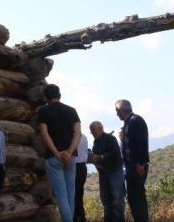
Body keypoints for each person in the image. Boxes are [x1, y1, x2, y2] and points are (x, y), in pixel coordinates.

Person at [37, 84, 82, 222]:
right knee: (70, 195)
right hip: (71, 157)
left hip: (53, 158)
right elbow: (78, 134)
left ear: (46, 97)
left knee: (61, 196)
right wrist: (69, 152)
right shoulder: (72, 110)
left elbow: (45, 134)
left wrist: (57, 153)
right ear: (59, 95)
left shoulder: (43, 111)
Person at [115, 99, 150, 222]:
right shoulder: (129, 122)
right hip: (132, 165)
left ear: (121, 110)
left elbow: (141, 143)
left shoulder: (135, 121)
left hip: (136, 166)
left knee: (136, 197)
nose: (116, 114)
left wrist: (140, 164)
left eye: (117, 111)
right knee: (134, 197)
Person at [89, 121, 125, 222]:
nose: (92, 132)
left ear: (100, 128)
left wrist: (100, 157)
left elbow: (116, 156)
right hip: (103, 173)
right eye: (91, 131)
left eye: (93, 130)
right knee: (105, 200)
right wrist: (92, 159)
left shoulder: (110, 139)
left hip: (114, 172)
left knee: (117, 200)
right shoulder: (96, 141)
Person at [73, 133, 89, 222]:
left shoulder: (72, 137)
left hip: (75, 167)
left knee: (74, 195)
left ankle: (75, 218)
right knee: (79, 194)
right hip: (82, 167)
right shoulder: (84, 137)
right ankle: (81, 218)